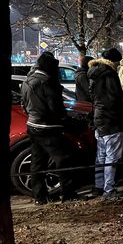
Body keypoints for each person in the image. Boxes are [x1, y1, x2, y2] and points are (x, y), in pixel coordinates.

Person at [21, 52, 78, 203]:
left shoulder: (28, 80)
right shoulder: (47, 82)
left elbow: (24, 105)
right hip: (48, 127)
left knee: (37, 163)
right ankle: (68, 194)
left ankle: (40, 196)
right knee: (64, 159)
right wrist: (66, 120)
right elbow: (56, 107)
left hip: (33, 125)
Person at [87, 52, 123, 198]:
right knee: (112, 157)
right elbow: (115, 98)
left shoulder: (94, 73)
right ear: (113, 61)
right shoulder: (109, 74)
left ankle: (99, 185)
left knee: (101, 155)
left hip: (99, 118)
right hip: (111, 120)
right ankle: (109, 190)